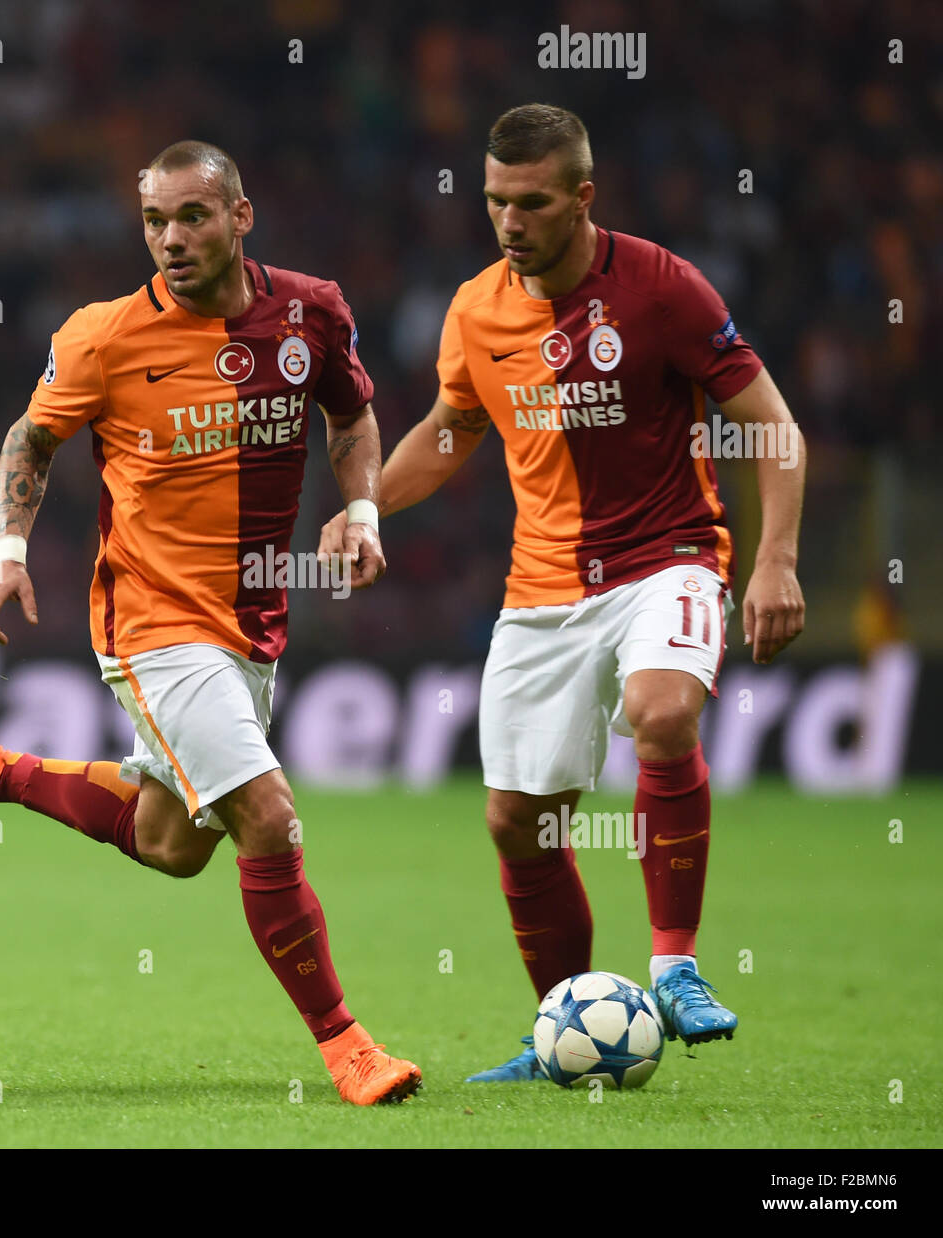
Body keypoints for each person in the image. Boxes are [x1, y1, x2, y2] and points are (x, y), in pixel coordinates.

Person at [0, 140, 421, 1105]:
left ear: (240, 216)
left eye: (192, 217)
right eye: (153, 221)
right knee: (267, 817)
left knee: (176, 844)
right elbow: (32, 437)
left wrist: (361, 509)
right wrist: (6, 557)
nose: (172, 239)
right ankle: (346, 1043)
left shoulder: (312, 311)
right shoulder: (105, 337)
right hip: (148, 619)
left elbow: (349, 418)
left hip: (251, 620)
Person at [320, 104, 805, 1081]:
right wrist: (367, 506)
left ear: (582, 197)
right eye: (495, 200)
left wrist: (775, 558)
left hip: (666, 556)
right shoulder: (476, 308)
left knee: (661, 712)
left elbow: (772, 422)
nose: (508, 220)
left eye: (531, 202)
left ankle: (675, 965)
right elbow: (452, 430)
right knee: (515, 820)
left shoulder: (662, 288)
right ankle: (560, 1036)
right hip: (540, 586)